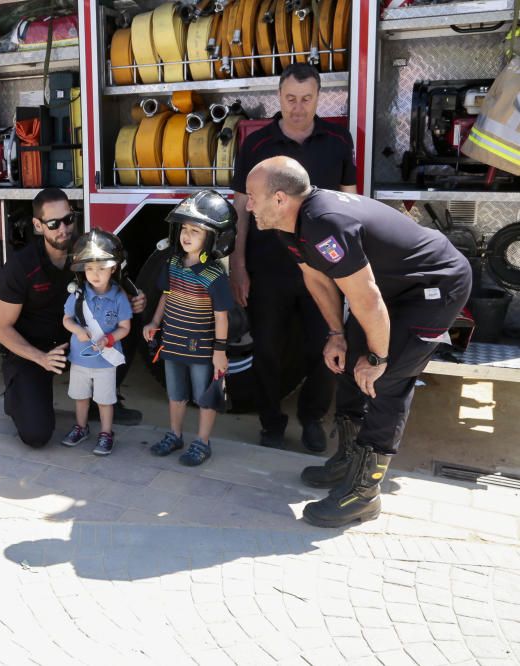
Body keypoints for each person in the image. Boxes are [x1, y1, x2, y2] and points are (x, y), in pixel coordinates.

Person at [245, 157, 471, 527]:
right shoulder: (290, 224)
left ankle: (364, 493)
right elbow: (317, 279)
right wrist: (337, 335)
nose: (248, 204)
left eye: (253, 196)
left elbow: (366, 298)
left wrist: (380, 357)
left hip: (435, 286)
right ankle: (349, 461)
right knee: (349, 362)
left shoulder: (325, 224)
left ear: (281, 198)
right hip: (391, 290)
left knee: (386, 382)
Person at [229, 63, 358, 453]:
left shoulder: (337, 140)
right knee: (266, 348)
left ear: (319, 98)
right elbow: (241, 207)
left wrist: (347, 270)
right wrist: (237, 262)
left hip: (321, 268)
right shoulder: (256, 145)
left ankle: (313, 419)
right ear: (278, 97)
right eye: (290, 99)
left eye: (306, 99)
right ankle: (271, 422)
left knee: (325, 346)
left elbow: (348, 204)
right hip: (268, 268)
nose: (298, 107)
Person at [0, 188, 145, 447]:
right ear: (38, 225)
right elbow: (1, 329)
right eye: (53, 223)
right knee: (36, 435)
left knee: (129, 317)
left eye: (68, 219)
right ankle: (18, 396)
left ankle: (104, 397)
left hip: (78, 340)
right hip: (36, 351)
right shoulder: (20, 266)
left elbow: (116, 288)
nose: (63, 229)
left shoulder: (87, 252)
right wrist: (41, 358)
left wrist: (136, 300)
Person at [143, 191, 236, 467]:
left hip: (201, 347)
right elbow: (166, 295)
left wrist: (220, 351)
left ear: (213, 237)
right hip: (172, 342)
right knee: (175, 394)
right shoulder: (172, 264)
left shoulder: (214, 275)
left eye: (196, 230)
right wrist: (154, 323)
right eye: (184, 228)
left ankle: (202, 442)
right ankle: (175, 434)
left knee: (205, 397)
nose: (186, 235)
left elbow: (222, 316)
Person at [60, 229, 133, 456]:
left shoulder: (119, 296)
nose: (95, 274)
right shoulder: (79, 294)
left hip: (105, 362)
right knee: (80, 398)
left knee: (105, 400)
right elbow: (66, 319)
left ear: (113, 268)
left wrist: (109, 339)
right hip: (79, 359)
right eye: (89, 268)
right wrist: (77, 330)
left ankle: (106, 433)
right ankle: (81, 428)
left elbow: (125, 327)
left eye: (101, 268)